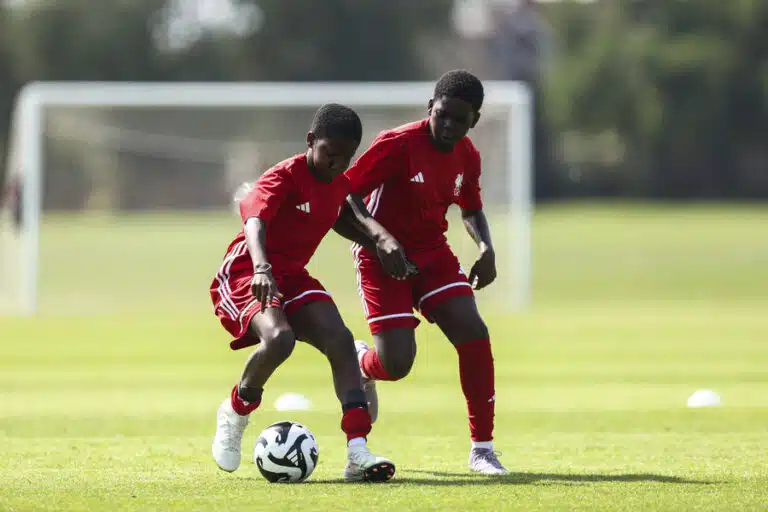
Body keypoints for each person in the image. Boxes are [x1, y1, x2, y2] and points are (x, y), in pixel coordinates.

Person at [209, 104, 409, 482]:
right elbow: (255, 221)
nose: (336, 164)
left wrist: (381, 244)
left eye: (345, 157)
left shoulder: (339, 183)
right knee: (280, 339)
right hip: (246, 271)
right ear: (310, 141)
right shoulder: (284, 176)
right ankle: (235, 411)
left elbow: (347, 218)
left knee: (340, 339)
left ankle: (357, 451)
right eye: (329, 154)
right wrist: (263, 268)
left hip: (293, 276)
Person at [340, 70, 508, 475]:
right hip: (383, 259)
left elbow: (469, 207)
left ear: (474, 121)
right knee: (397, 364)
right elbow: (346, 190)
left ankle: (482, 449)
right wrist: (380, 240)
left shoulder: (468, 154)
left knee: (474, 332)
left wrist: (486, 246)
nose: (449, 125)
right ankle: (363, 363)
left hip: (433, 254)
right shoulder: (396, 144)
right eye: (443, 114)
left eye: (460, 119)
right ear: (430, 107)